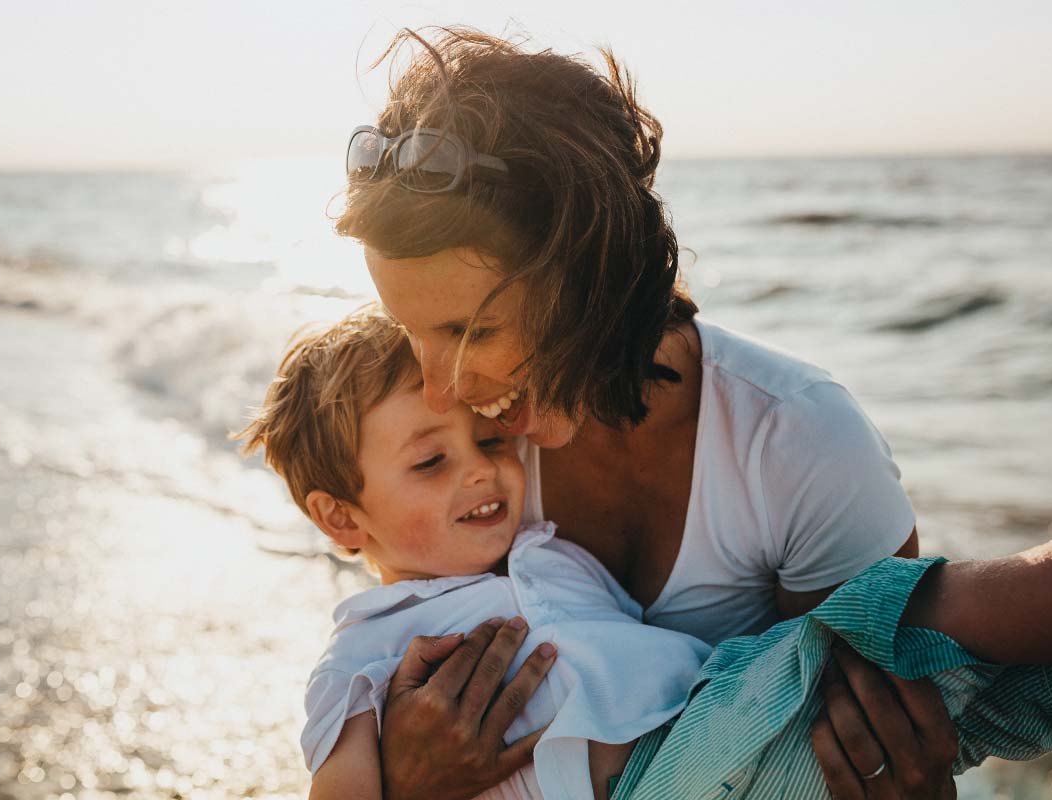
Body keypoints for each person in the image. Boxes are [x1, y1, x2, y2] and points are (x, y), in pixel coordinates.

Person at [334, 26, 954, 799]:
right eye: (410, 331)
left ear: (591, 279)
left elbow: (885, 744)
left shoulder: (796, 443)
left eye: (470, 332)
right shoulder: (461, 459)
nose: (438, 389)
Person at [237, 309, 1052, 800]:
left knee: (1031, 686)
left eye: (488, 441)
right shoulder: (365, 649)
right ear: (341, 518)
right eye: (432, 462)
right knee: (914, 621)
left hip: (730, 734)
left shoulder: (547, 553)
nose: (485, 472)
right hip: (668, 775)